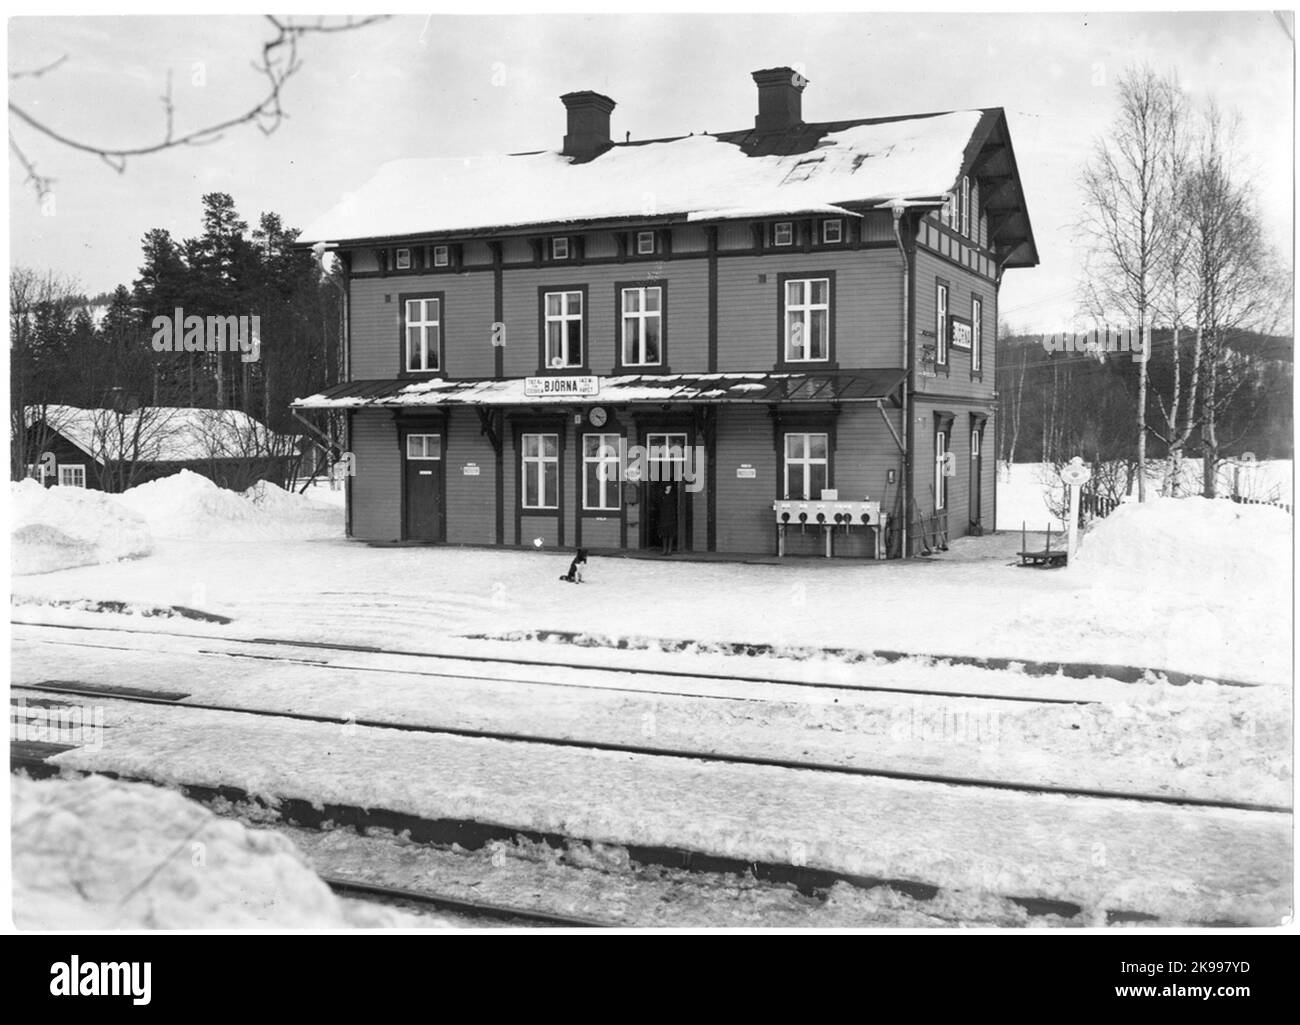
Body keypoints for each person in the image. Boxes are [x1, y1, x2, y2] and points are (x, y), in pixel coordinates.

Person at [658, 483, 677, 556]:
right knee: (664, 534)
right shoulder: (662, 495)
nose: (670, 487)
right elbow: (659, 504)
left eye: (670, 486)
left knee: (670, 534)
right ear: (665, 487)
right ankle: (664, 550)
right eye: (668, 486)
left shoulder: (673, 495)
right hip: (663, 516)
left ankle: (669, 550)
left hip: (671, 516)